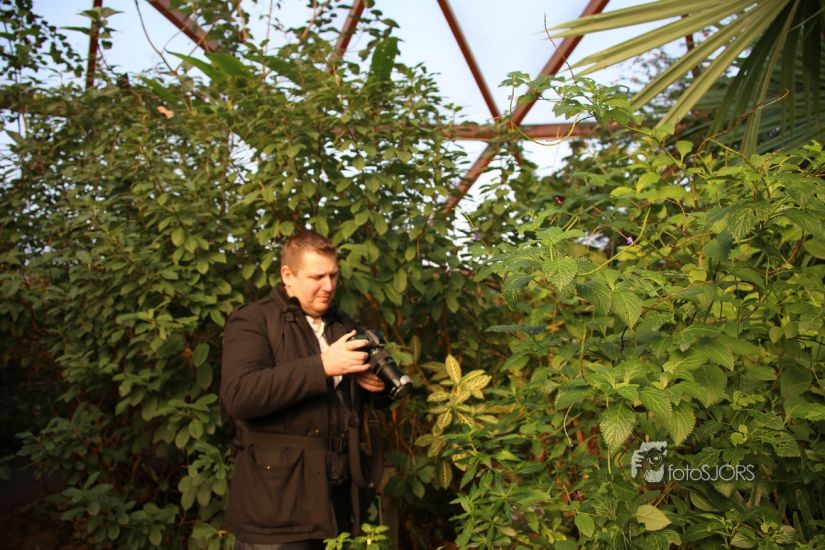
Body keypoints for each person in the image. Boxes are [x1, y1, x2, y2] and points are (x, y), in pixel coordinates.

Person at [220, 230, 387, 549]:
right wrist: (321, 366)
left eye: (333, 275)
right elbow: (239, 396)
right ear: (288, 275)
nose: (329, 286)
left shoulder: (343, 325)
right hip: (275, 509)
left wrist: (376, 388)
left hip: (338, 507)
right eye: (317, 277)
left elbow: (348, 407)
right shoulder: (253, 320)